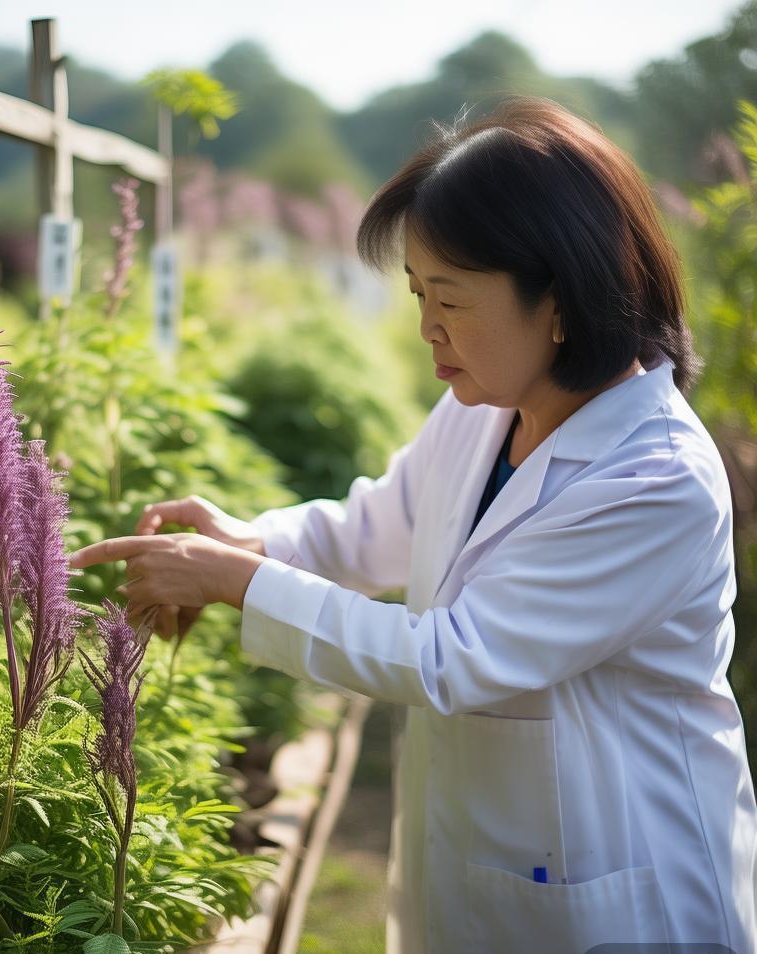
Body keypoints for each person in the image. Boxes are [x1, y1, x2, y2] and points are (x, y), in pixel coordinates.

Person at [70, 95, 757, 953]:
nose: (427, 326)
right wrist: (249, 540)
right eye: (416, 292)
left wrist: (232, 582)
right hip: (495, 870)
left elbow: (452, 658)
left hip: (629, 895)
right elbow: (377, 525)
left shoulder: (654, 480)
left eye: (453, 299)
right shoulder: (486, 406)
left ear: (562, 298)